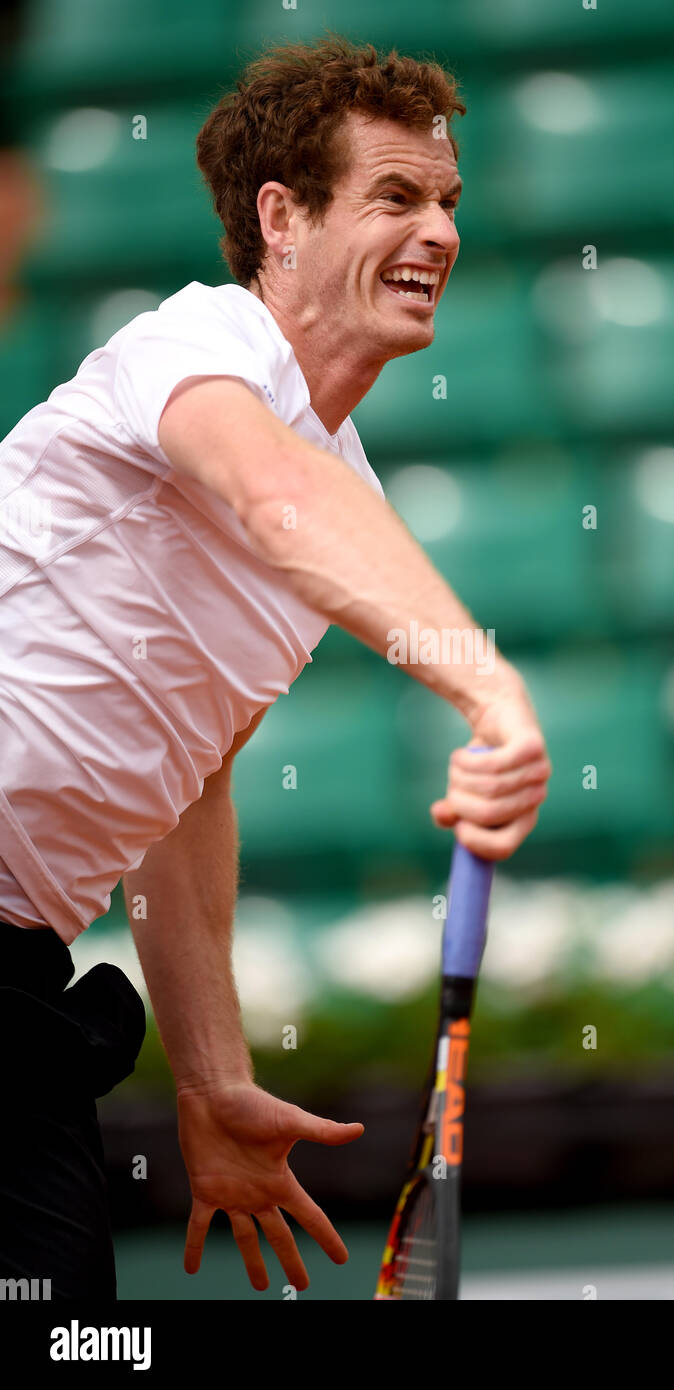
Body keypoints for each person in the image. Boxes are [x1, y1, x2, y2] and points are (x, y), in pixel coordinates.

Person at [0, 35, 551, 1299]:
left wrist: (211, 1074)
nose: (440, 235)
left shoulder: (338, 483)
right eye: (396, 199)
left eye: (449, 203)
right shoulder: (196, 347)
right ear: (282, 219)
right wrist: (485, 686)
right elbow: (270, 493)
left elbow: (183, 788)